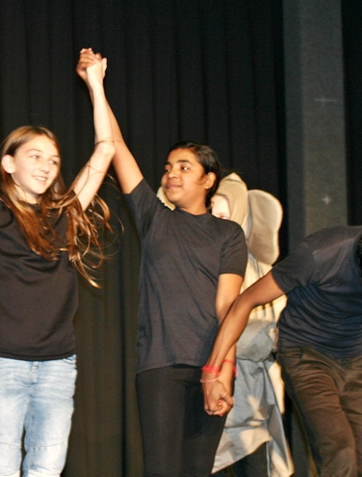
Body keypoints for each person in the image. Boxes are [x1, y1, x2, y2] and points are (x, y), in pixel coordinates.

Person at [203, 221, 362, 477]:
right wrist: (214, 370)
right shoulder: (320, 254)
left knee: (360, 465)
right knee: (340, 455)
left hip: (358, 359)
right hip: (306, 355)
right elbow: (244, 302)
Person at [0, 48, 113, 477]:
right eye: (35, 156)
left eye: (54, 160)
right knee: (2, 471)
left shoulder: (66, 215)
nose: (47, 166)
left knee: (46, 470)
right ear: (9, 163)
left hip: (58, 366)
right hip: (2, 365)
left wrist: (95, 83)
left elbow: (105, 149)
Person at [108, 83, 246, 475]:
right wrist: (98, 86)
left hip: (210, 366)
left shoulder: (228, 234)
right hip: (160, 366)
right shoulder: (155, 219)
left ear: (208, 180)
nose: (171, 174)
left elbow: (228, 308)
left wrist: (221, 374)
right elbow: (116, 145)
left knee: (197, 470)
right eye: (168, 167)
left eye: (184, 167)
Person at [208, 174, 292, 477]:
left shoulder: (263, 271)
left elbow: (280, 327)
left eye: (224, 216)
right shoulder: (201, 265)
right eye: (211, 214)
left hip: (253, 398)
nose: (216, 224)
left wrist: (268, 337)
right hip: (210, 391)